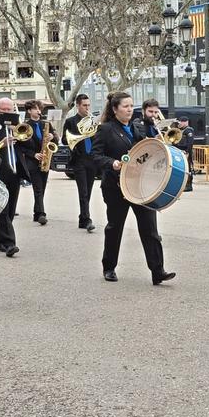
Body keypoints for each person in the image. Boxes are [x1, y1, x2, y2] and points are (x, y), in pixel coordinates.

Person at [90, 92, 176, 285]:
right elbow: (95, 156)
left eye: (131, 106)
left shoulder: (137, 127)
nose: (129, 110)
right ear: (115, 109)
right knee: (115, 227)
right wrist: (112, 163)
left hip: (139, 186)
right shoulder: (105, 129)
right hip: (116, 187)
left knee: (150, 228)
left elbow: (146, 151)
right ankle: (109, 267)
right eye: (125, 106)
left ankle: (158, 270)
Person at [0, 97, 24, 257]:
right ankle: (10, 243)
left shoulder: (16, 124)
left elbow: (27, 144)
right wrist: (1, 143)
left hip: (14, 172)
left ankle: (0, 241)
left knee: (11, 209)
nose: (6, 112)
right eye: (2, 110)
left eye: (9, 110)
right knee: (2, 209)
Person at [62, 93, 96, 232]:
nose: (87, 108)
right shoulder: (71, 121)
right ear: (78, 106)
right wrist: (77, 139)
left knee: (89, 191)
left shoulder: (93, 121)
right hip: (79, 160)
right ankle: (87, 219)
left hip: (92, 160)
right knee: (83, 192)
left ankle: (82, 219)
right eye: (84, 105)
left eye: (88, 105)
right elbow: (65, 140)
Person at [18, 100, 52, 225]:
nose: (39, 111)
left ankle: (36, 213)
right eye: (36, 109)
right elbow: (20, 146)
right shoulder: (24, 126)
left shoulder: (46, 124)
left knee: (42, 188)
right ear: (29, 111)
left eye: (40, 109)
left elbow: (55, 137)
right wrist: (33, 154)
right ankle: (42, 214)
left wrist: (52, 137)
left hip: (45, 159)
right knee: (38, 188)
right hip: (32, 161)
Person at [174, 116, 195, 192]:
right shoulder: (181, 130)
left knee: (188, 169)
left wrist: (188, 152)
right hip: (180, 152)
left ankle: (189, 185)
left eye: (181, 122)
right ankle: (183, 184)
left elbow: (190, 143)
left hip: (186, 152)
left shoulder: (189, 130)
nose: (180, 124)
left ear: (186, 122)